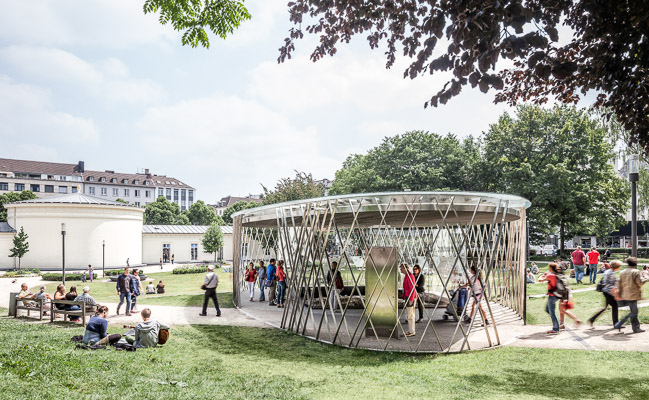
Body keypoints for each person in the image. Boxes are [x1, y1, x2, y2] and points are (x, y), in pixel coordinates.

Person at [615, 257, 648, 333]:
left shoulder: (622, 272)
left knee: (633, 311)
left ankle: (635, 328)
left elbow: (619, 284)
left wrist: (619, 295)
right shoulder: (636, 272)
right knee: (634, 312)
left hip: (625, 294)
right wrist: (646, 278)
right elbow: (639, 283)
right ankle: (620, 324)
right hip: (633, 295)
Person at [588, 260, 621, 327]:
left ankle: (592, 319)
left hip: (605, 291)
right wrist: (616, 295)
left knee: (607, 307)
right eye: (619, 266)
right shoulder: (611, 273)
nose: (620, 267)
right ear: (616, 267)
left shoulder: (608, 271)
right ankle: (616, 324)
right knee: (614, 306)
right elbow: (611, 285)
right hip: (608, 292)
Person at [557, 263, 582, 329]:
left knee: (563, 310)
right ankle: (562, 323)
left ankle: (577, 320)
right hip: (565, 295)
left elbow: (562, 287)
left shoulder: (559, 276)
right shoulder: (562, 276)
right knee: (561, 310)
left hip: (563, 295)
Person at [539, 262, 561, 334]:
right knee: (547, 309)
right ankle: (556, 323)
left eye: (549, 267)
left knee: (552, 312)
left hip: (552, 296)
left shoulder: (551, 276)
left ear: (551, 268)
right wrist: (547, 274)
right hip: (556, 295)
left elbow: (540, 280)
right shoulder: (556, 275)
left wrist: (542, 275)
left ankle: (555, 328)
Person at [400, 263, 416, 337]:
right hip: (408, 296)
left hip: (410, 297)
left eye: (401, 268)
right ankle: (410, 330)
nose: (400, 269)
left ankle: (412, 331)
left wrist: (411, 299)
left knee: (410, 315)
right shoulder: (407, 276)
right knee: (409, 314)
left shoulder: (410, 276)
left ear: (404, 268)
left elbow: (412, 288)